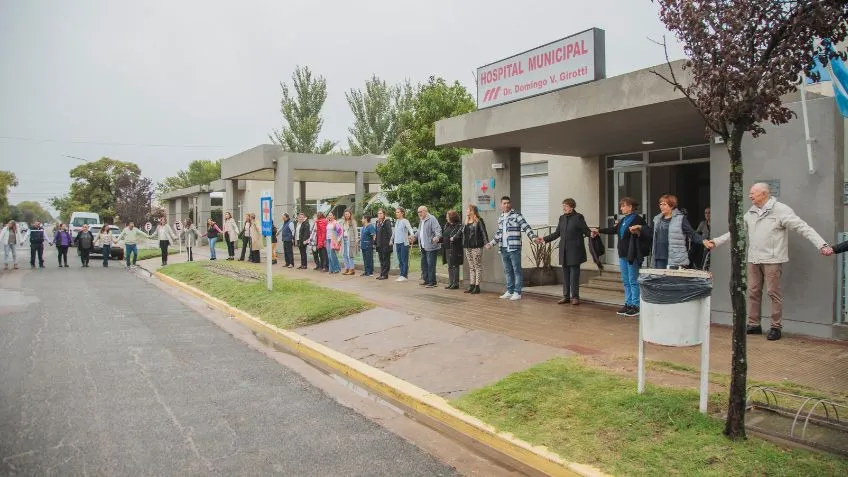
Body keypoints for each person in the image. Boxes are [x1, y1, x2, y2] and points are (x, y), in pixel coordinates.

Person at [706, 183, 832, 341]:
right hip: (754, 259)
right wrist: (715, 242)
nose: (750, 196)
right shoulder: (750, 213)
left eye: (753, 193)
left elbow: (803, 228)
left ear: (764, 194)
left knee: (773, 293)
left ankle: (775, 327)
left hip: (773, 259)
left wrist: (822, 244)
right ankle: (753, 324)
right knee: (752, 292)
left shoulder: (781, 210)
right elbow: (736, 232)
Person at [591, 197, 650, 317]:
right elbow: (614, 229)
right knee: (626, 281)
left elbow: (646, 233)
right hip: (622, 253)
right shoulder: (624, 220)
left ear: (630, 207)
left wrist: (638, 230)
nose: (621, 208)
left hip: (632, 254)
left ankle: (636, 305)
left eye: (623, 206)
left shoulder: (637, 219)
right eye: (621, 206)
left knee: (633, 280)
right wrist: (599, 231)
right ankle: (628, 303)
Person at [537, 198, 592, 305]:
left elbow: (586, 231)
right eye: (563, 206)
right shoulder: (562, 218)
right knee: (565, 274)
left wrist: (592, 234)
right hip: (564, 250)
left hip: (575, 250)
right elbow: (557, 233)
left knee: (574, 275)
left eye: (565, 206)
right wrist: (544, 239)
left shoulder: (578, 217)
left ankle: (575, 297)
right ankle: (566, 296)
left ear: (572, 207)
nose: (564, 208)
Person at [632, 194, 708, 270]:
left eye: (664, 204)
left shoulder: (680, 218)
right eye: (660, 204)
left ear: (672, 205)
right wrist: (640, 228)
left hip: (675, 258)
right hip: (659, 257)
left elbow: (692, 234)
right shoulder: (657, 219)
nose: (661, 206)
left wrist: (703, 241)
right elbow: (653, 234)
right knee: (660, 280)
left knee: (672, 281)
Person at [485, 196, 538, 301]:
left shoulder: (517, 215)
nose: (506, 205)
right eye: (504, 203)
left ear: (511, 204)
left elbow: (526, 227)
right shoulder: (500, 218)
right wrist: (491, 244)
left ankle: (517, 292)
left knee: (517, 270)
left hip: (514, 248)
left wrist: (533, 237)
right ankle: (509, 291)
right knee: (507, 271)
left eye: (508, 203)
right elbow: (499, 233)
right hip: (503, 248)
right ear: (501, 205)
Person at [461, 204, 488, 294]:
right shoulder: (466, 221)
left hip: (476, 246)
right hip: (467, 246)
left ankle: (477, 286)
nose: (467, 211)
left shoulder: (479, 221)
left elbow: (484, 232)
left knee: (477, 266)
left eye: (468, 210)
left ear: (473, 211)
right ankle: (471, 285)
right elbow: (462, 232)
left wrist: (486, 243)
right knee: (471, 266)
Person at [413, 206, 442, 288]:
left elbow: (438, 229)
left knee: (431, 265)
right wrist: (414, 237)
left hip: (431, 246)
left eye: (421, 212)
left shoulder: (432, 219)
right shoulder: (421, 220)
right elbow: (419, 231)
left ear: (425, 211)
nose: (419, 214)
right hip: (423, 246)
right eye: (418, 212)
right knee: (424, 264)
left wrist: (437, 237)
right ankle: (426, 280)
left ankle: (432, 282)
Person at [441, 210, 463, 290]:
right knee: (450, 266)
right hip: (447, 247)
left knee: (454, 265)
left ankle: (455, 283)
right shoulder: (447, 225)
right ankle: (451, 282)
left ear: (452, 217)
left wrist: (454, 238)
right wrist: (439, 239)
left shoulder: (458, 225)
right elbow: (444, 236)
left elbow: (459, 236)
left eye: (447, 216)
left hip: (455, 248)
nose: (446, 217)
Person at [393, 208, 415, 282]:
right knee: (400, 260)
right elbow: (394, 232)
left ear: (402, 213)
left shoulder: (405, 221)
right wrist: (391, 240)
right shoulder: (397, 221)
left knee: (404, 259)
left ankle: (404, 275)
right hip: (397, 242)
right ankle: (401, 274)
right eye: (396, 212)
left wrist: (412, 235)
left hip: (404, 243)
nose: (396, 213)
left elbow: (410, 228)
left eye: (398, 212)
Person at [374, 209, 393, 280]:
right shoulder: (377, 222)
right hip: (379, 244)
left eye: (381, 213)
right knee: (381, 260)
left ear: (384, 214)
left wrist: (390, 243)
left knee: (386, 260)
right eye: (378, 213)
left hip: (386, 244)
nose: (379, 215)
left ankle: (385, 275)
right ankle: (382, 273)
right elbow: (376, 233)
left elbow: (390, 233)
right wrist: (375, 242)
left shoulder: (387, 222)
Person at [341, 210, 358, 275]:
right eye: (345, 214)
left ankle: (352, 269)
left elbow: (355, 231)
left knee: (350, 255)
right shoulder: (343, 222)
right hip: (344, 240)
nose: (347, 215)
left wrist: (356, 239)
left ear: (350, 215)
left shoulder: (353, 222)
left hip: (350, 240)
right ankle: (347, 268)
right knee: (344, 255)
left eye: (348, 214)